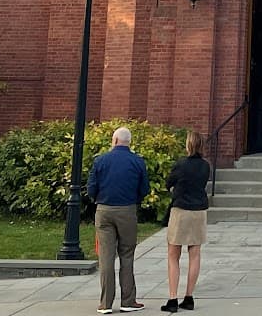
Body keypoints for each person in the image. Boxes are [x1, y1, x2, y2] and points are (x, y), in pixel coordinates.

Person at [87, 126, 149, 314]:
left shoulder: (100, 161)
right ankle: (128, 301)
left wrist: (97, 199)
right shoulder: (137, 162)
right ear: (129, 142)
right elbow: (144, 189)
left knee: (106, 257)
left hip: (104, 210)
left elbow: (91, 188)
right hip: (127, 210)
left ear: (114, 141)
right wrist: (134, 200)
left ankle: (105, 303)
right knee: (127, 255)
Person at [161, 130, 210, 313]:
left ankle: (173, 298)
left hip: (181, 210)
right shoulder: (206, 166)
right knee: (195, 254)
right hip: (199, 211)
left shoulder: (181, 164)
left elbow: (168, 183)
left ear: (188, 144)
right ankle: (189, 297)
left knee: (173, 254)